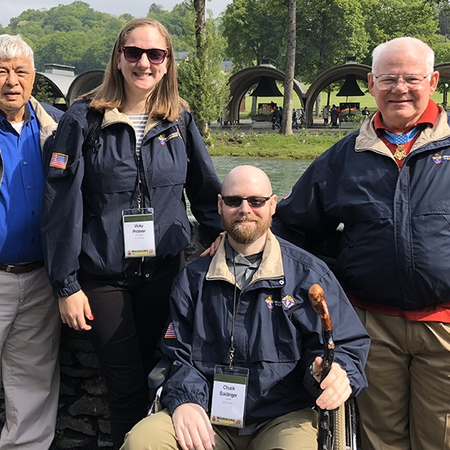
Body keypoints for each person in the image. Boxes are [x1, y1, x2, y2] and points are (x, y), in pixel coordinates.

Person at [41, 18, 223, 449]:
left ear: (167, 62)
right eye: (134, 53)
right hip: (104, 277)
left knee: (163, 377)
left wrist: (220, 237)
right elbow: (60, 206)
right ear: (118, 58)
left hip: (166, 273)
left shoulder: (179, 119)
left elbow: (206, 189)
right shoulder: (83, 118)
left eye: (154, 54)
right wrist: (65, 285)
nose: (144, 62)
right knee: (124, 389)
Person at [272, 36, 450, 450]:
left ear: (434, 81)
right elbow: (293, 223)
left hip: (445, 325)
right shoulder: (342, 157)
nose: (399, 88)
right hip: (372, 326)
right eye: (388, 78)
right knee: (377, 439)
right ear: (371, 83)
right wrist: (236, 231)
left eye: (412, 78)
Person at [120, 165, 369, 450]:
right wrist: (185, 400)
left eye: (256, 201)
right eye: (233, 201)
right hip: (208, 413)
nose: (244, 209)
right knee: (143, 441)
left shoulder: (310, 276)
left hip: (284, 416)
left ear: (273, 205)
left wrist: (339, 372)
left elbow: (347, 343)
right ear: (219, 205)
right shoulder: (192, 280)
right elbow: (178, 355)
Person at [0, 34, 62, 448]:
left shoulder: (56, 127)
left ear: (34, 77)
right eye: (1, 71)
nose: (11, 81)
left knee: (32, 384)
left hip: (40, 280)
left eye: (20, 71)